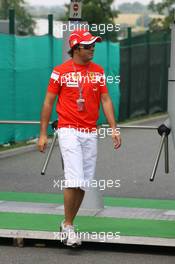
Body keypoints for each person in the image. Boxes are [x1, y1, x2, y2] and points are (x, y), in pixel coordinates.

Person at [38, 29, 121, 247]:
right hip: (68, 130)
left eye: (94, 45)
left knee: (83, 183)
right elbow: (48, 102)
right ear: (76, 48)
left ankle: (68, 224)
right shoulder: (60, 72)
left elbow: (105, 99)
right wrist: (43, 134)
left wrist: (114, 128)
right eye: (88, 45)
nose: (93, 48)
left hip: (90, 131)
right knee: (73, 178)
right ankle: (68, 227)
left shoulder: (98, 71)